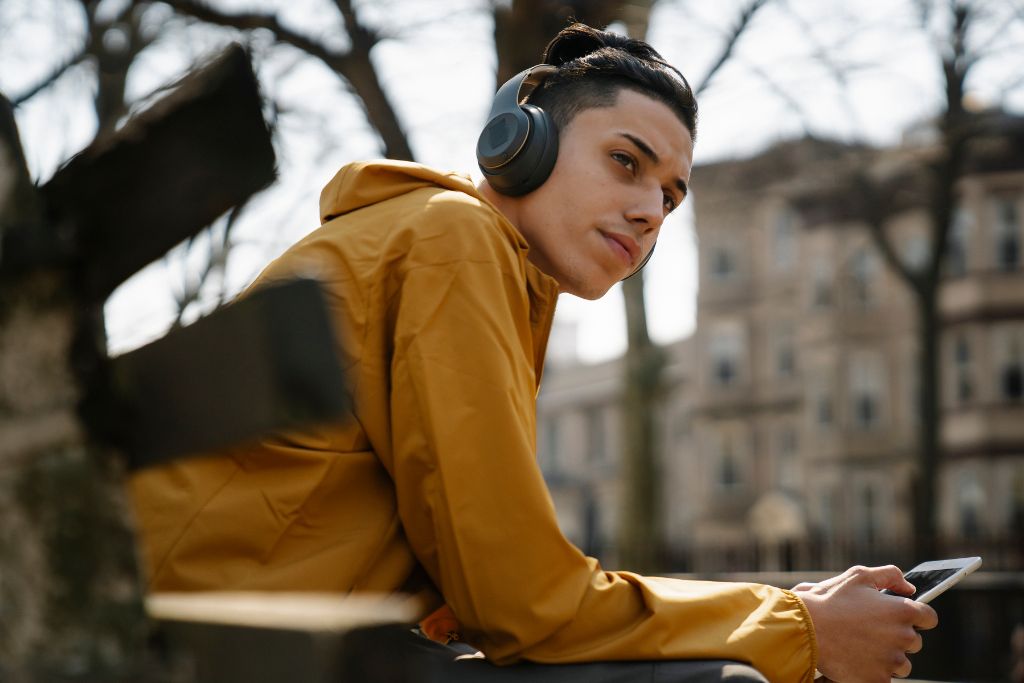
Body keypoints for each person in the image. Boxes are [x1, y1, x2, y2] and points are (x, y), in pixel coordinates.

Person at [129, 23, 937, 682]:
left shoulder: (461, 257)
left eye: (670, 195)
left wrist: (791, 604)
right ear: (521, 143)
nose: (651, 209)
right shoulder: (454, 241)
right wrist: (794, 625)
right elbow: (521, 601)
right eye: (626, 161)